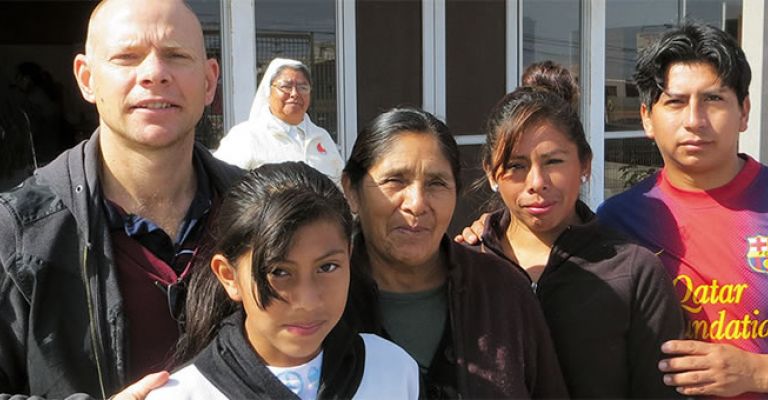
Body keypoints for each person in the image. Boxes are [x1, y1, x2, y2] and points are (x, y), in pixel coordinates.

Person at [0, 0, 241, 398]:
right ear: (86, 78)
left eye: (176, 55)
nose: (154, 74)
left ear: (209, 80)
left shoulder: (258, 211)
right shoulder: (17, 233)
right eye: (127, 57)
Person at [597, 22, 768, 397]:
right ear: (646, 117)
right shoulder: (616, 221)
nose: (694, 120)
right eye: (675, 102)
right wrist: (490, 233)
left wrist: (755, 372)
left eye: (714, 99)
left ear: (744, 112)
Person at [474, 69, 684, 397]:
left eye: (554, 161)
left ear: (584, 164)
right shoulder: (464, 268)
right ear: (491, 173)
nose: (536, 182)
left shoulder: (635, 273)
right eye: (516, 166)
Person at [342, 107, 569, 399]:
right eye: (395, 180)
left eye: (436, 183)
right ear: (352, 190)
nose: (417, 203)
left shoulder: (502, 292)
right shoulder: (320, 299)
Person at [147, 162, 419, 399]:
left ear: (349, 256)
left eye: (327, 267)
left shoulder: (393, 370)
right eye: (279, 272)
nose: (307, 301)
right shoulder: (183, 394)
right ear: (229, 276)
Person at [214, 58, 344, 183]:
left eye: (303, 87)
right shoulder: (245, 136)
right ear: (268, 91)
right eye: (286, 86)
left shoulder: (322, 138)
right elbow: (221, 184)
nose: (294, 94)